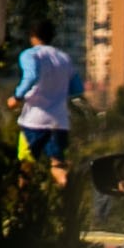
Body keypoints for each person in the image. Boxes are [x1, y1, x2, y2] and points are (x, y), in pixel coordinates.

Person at [13, 20, 79, 185]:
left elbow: (31, 76)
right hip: (60, 122)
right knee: (57, 163)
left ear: (32, 37)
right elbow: (77, 87)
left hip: (34, 121)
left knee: (26, 164)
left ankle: (21, 202)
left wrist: (17, 96)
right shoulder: (64, 58)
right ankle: (64, 182)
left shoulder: (30, 55)